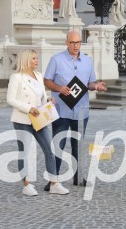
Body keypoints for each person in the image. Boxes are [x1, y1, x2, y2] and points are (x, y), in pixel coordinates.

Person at [44, 31, 108, 187]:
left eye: (78, 42)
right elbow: (46, 81)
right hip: (61, 110)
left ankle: (78, 178)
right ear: (67, 43)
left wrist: (96, 86)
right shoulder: (56, 60)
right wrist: (59, 88)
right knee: (58, 144)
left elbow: (90, 83)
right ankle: (53, 180)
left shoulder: (87, 61)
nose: (75, 46)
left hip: (81, 111)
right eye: (72, 42)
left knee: (78, 146)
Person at [7, 49, 70, 197]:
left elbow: (41, 97)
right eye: (34, 58)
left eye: (37, 58)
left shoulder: (39, 76)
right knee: (25, 152)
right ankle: (26, 184)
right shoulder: (16, 77)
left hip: (39, 119)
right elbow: (10, 99)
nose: (37, 61)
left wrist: (48, 100)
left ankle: (54, 183)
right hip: (22, 119)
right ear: (26, 60)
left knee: (50, 149)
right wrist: (29, 108)